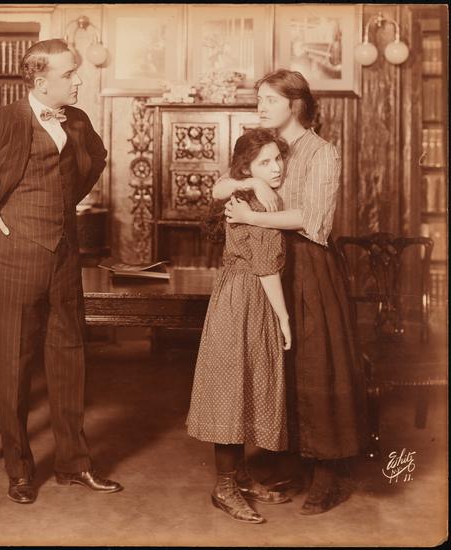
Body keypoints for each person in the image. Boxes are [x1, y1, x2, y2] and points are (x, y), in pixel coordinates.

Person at [0, 39, 122, 504]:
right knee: (13, 363)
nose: (78, 80)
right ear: (41, 81)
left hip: (64, 257)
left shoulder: (78, 120)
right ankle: (19, 470)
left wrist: (65, 202)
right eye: (69, 73)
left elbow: (96, 159)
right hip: (14, 256)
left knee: (69, 358)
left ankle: (74, 464)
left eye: (76, 72)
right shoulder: (2, 120)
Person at [213, 69, 367, 515]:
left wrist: (251, 217)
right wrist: (250, 182)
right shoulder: (265, 146)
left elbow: (314, 220)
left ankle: (327, 476)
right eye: (259, 98)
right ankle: (296, 465)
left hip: (309, 267)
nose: (260, 106)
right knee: (279, 366)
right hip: (267, 265)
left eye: (269, 99)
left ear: (295, 104)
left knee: (316, 364)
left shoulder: (322, 152)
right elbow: (220, 186)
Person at [187, 128, 292, 524]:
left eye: (278, 158)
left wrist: (252, 181)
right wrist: (284, 317)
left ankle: (241, 476)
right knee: (233, 390)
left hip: (240, 296)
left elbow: (223, 184)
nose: (276, 167)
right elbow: (266, 268)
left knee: (244, 385)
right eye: (265, 162)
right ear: (247, 169)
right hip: (246, 297)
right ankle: (225, 486)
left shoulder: (253, 195)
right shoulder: (253, 202)